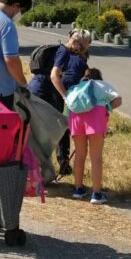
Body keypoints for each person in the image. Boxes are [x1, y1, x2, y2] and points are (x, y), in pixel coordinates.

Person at [67, 67, 122, 205]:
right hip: (96, 116)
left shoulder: (76, 87)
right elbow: (118, 100)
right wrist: (107, 107)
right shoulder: (102, 85)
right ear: (99, 77)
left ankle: (78, 189)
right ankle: (96, 194)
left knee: (80, 155)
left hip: (76, 117)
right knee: (96, 156)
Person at [48, 29, 92, 175]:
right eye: (84, 47)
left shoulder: (66, 53)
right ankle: (63, 163)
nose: (83, 49)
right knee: (64, 128)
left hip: (58, 91)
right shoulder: (74, 57)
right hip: (66, 93)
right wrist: (67, 97)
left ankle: (60, 163)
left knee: (59, 128)